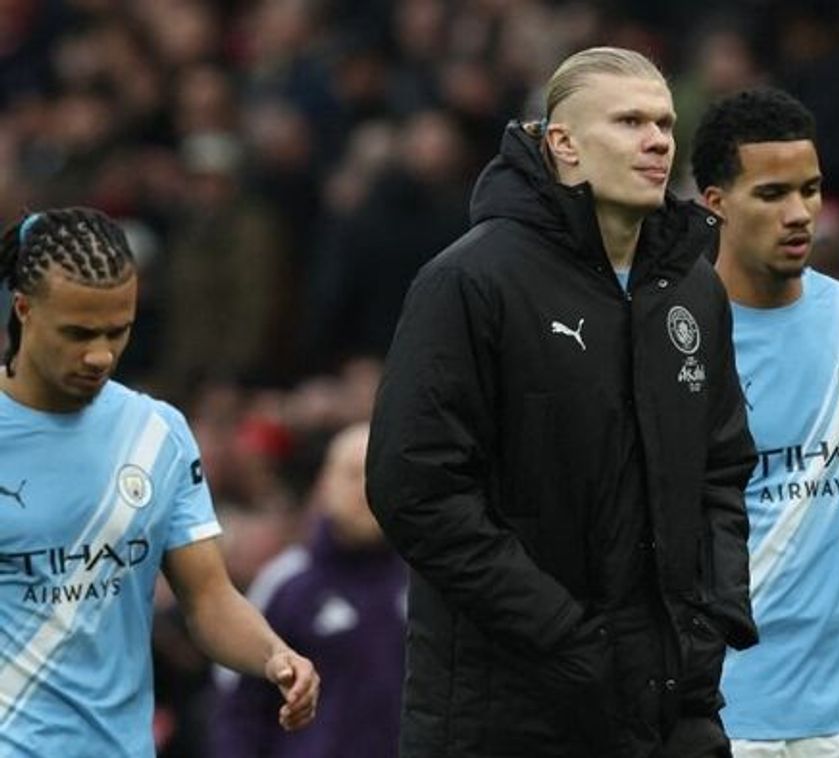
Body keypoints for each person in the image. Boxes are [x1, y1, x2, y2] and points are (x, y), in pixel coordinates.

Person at [365, 47, 757, 758]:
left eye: (665, 124)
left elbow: (721, 469)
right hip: (505, 712)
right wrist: (565, 635)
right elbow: (415, 489)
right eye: (630, 122)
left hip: (671, 701)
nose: (658, 141)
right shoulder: (469, 281)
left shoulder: (695, 289)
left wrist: (712, 618)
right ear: (564, 144)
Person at [0, 207, 319, 756]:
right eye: (77, 333)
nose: (100, 354)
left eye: (117, 331)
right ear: (23, 309)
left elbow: (209, 598)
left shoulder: (157, 434)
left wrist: (274, 655)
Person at [691, 88, 839, 758]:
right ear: (715, 202)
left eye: (809, 190)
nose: (800, 213)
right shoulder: (674, 340)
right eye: (772, 194)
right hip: (723, 717)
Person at [211, 422, 406, 758]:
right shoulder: (287, 584)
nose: (366, 489)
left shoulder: (427, 585)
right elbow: (238, 707)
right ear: (325, 485)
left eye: (380, 475)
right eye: (352, 474)